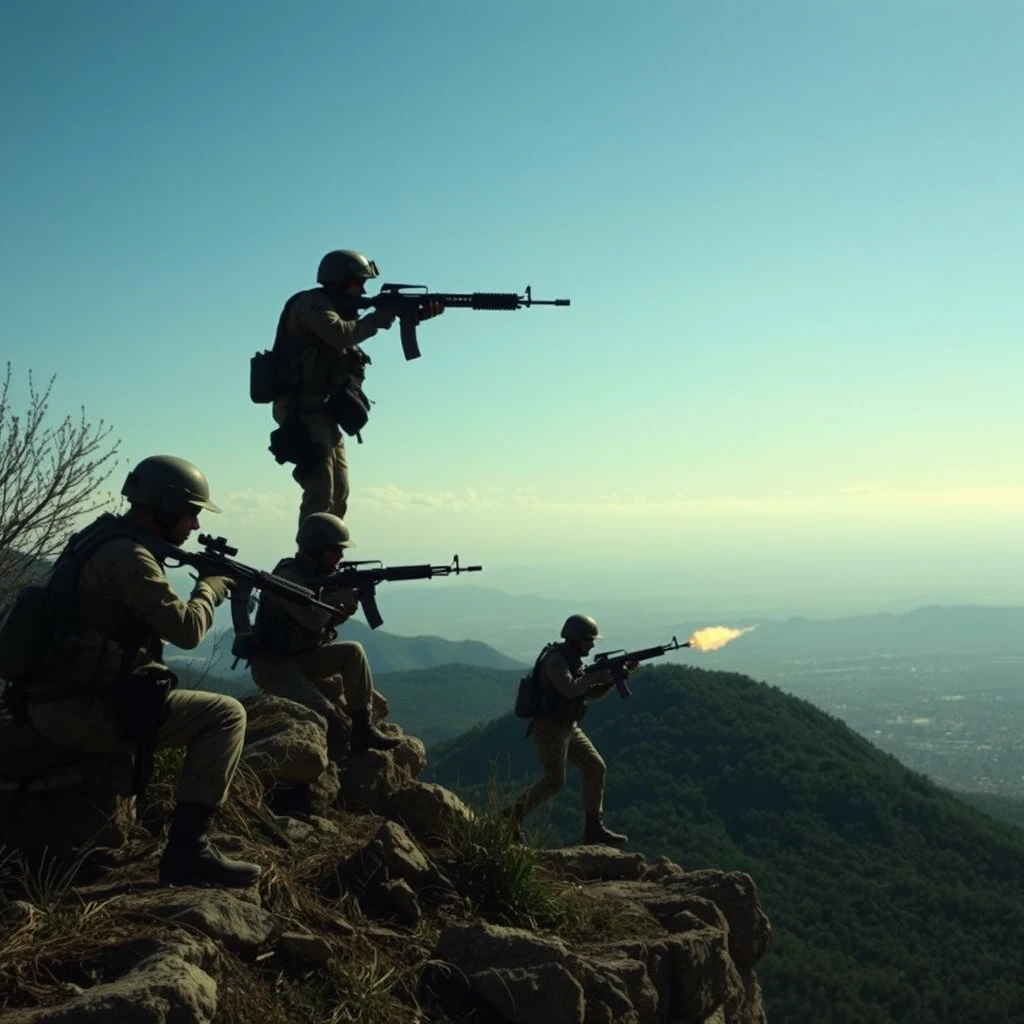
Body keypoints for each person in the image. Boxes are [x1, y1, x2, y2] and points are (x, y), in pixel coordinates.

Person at [24, 455, 261, 887]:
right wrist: (209, 588)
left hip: (54, 697)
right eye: (190, 513)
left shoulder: (97, 537)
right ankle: (189, 850)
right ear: (166, 506)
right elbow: (187, 631)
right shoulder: (129, 557)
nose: (193, 526)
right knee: (227, 715)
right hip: (80, 710)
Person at [269, 249, 443, 525]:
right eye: (359, 282)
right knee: (321, 490)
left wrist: (411, 316)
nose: (363, 290)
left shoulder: (339, 309)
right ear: (340, 280)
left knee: (339, 492)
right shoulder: (312, 303)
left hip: (324, 410)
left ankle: (328, 551)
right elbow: (339, 335)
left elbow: (345, 346)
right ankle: (312, 557)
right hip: (300, 408)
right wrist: (378, 318)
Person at [248, 512, 400, 760]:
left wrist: (340, 612)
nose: (340, 557)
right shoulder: (287, 578)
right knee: (327, 716)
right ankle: (338, 763)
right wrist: (337, 598)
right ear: (315, 547)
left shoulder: (319, 575)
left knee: (354, 651)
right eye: (334, 550)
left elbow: (318, 624)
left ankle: (364, 728)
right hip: (274, 667)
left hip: (302, 657)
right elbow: (310, 619)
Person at [504, 614, 629, 847]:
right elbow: (570, 689)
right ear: (575, 639)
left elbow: (589, 694)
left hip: (569, 726)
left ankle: (594, 828)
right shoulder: (556, 661)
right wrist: (598, 676)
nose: (592, 645)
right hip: (549, 728)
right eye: (589, 640)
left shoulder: (574, 660)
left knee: (595, 767)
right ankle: (510, 816)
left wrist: (611, 680)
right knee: (554, 782)